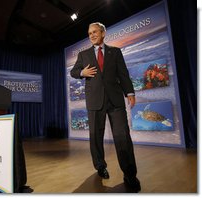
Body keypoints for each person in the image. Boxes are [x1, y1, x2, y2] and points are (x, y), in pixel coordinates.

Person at [70, 22, 141, 192]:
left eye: (95, 32)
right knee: (95, 137)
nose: (92, 35)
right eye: (89, 33)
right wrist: (82, 73)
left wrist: (130, 93)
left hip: (115, 100)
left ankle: (130, 174)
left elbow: (123, 74)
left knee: (122, 136)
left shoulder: (115, 52)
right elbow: (73, 72)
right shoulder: (83, 54)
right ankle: (100, 166)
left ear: (103, 33)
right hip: (95, 102)